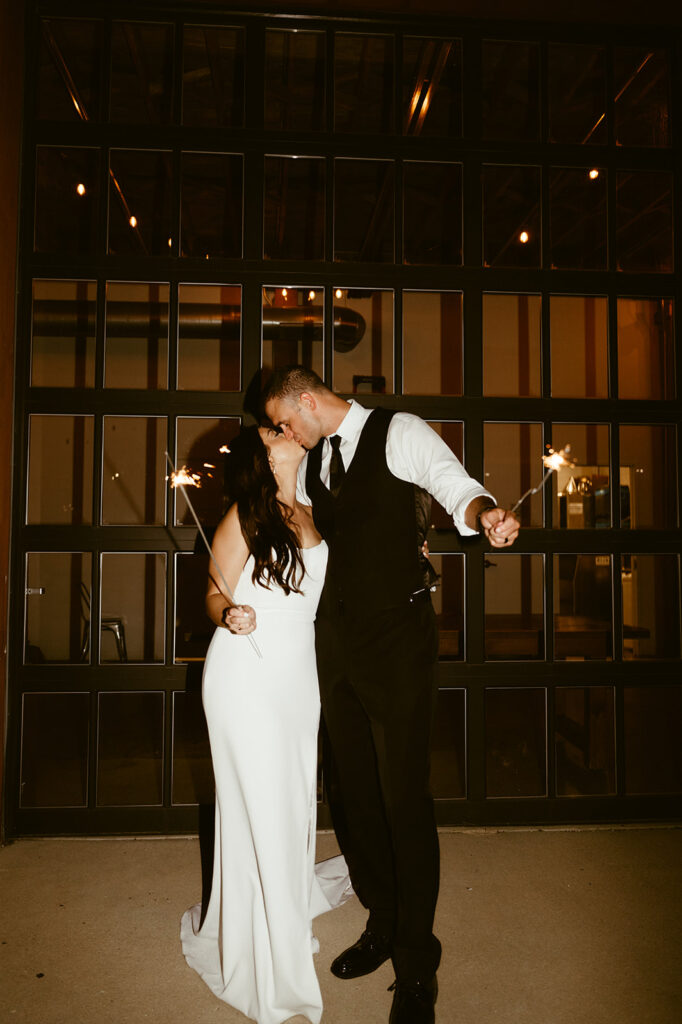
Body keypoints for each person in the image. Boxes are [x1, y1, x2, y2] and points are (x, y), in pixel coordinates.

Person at [263, 367, 520, 1024]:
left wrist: (483, 513)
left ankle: (416, 962)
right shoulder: (313, 459)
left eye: (285, 421)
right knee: (353, 792)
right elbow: (309, 542)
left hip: (399, 642)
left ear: (306, 399)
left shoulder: (396, 431)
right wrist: (286, 474)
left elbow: (452, 485)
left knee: (403, 796)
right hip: (337, 642)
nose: (283, 432)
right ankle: (382, 917)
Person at [181, 424, 351, 1024]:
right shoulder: (244, 515)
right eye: (273, 431)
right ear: (264, 455)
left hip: (297, 680)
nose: (285, 431)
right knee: (261, 806)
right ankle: (273, 957)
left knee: (293, 802)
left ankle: (278, 909)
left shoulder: (314, 506)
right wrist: (231, 613)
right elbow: (211, 593)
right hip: (245, 677)